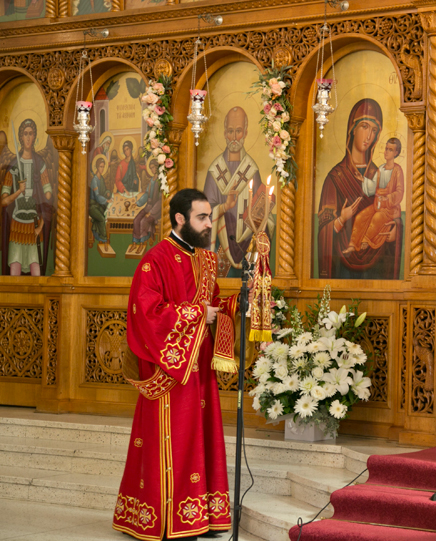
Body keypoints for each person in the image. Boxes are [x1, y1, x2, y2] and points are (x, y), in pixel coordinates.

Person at [113, 189, 239, 540]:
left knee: (200, 439)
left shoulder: (204, 259)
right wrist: (200, 313)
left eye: (210, 217)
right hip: (171, 369)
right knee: (174, 441)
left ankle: (201, 516)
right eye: (202, 217)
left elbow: (213, 306)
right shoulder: (155, 260)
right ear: (180, 219)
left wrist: (239, 304)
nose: (209, 224)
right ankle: (168, 518)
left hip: (198, 368)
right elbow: (146, 314)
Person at [317, 98, 402, 280]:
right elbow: (323, 230)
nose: (369, 136)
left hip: (376, 269)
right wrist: (341, 220)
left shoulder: (380, 174)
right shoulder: (335, 178)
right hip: (341, 271)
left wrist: (395, 229)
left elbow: (392, 213)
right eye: (364, 126)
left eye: (374, 130)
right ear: (352, 130)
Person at [204, 106, 274, 274]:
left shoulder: (252, 169)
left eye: (238, 131)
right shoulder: (215, 171)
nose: (234, 137)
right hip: (221, 248)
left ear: (246, 132)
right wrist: (224, 207)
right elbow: (204, 212)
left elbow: (264, 217)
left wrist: (263, 215)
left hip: (247, 249)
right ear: (224, 133)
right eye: (230, 131)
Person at [0, 119, 54, 276]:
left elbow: (49, 197)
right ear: (20, 138)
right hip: (17, 223)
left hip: (35, 225)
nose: (28, 137)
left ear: (35, 136)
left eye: (31, 134)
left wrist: (41, 224)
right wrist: (18, 192)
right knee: (15, 267)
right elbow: (3, 201)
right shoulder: (13, 166)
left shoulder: (40, 164)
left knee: (35, 267)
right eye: (25, 134)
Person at [344, 137, 404, 255]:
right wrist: (363, 180)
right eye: (386, 148)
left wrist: (388, 198)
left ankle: (366, 241)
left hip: (389, 209)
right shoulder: (380, 169)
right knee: (360, 217)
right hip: (377, 204)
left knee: (376, 218)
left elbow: (400, 192)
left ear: (396, 153)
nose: (386, 152)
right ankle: (353, 244)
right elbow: (372, 187)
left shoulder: (398, 170)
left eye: (390, 150)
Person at [131, 158, 161, 254]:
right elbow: (146, 194)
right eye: (151, 168)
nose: (152, 170)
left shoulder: (160, 182)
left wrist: (152, 212)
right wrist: (137, 203)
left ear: (157, 168)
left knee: (144, 221)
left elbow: (161, 200)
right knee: (136, 220)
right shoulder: (151, 180)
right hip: (148, 206)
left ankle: (142, 244)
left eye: (154, 167)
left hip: (156, 209)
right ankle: (135, 243)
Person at [89, 156, 110, 251]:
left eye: (103, 166)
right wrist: (106, 200)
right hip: (92, 206)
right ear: (97, 167)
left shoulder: (101, 179)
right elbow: (97, 196)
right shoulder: (94, 180)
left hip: (99, 204)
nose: (102, 168)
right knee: (102, 219)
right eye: (100, 166)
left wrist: (108, 193)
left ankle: (100, 238)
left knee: (105, 214)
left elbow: (104, 191)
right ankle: (105, 241)